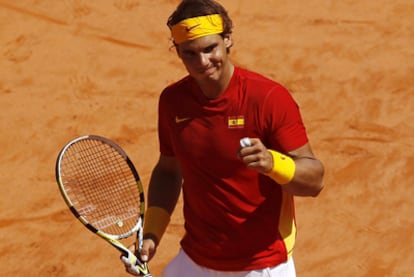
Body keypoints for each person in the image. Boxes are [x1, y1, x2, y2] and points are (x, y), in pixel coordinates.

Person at [122, 0, 324, 276]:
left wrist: (271, 163)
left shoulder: (268, 98)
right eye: (189, 53)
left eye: (209, 49)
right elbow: (169, 171)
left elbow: (314, 180)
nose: (202, 62)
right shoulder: (173, 101)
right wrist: (152, 235)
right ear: (178, 52)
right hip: (195, 260)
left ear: (228, 40)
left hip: (261, 264)